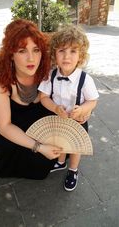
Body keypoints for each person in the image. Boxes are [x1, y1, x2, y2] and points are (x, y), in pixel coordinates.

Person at [0, 19, 63, 180]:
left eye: (36, 50)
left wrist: (84, 110)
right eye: (22, 51)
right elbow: (5, 126)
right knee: (26, 157)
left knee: (54, 152)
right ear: (11, 54)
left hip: (39, 119)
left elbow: (73, 89)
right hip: (13, 120)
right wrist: (40, 147)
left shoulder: (48, 67)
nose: (31, 58)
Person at [38, 25, 99, 191]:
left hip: (77, 121)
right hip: (58, 119)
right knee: (59, 142)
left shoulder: (85, 79)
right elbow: (43, 97)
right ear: (54, 54)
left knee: (75, 146)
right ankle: (60, 162)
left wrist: (83, 110)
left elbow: (93, 101)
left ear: (81, 56)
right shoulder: (50, 75)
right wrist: (55, 107)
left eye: (73, 51)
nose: (67, 56)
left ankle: (73, 169)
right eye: (62, 51)